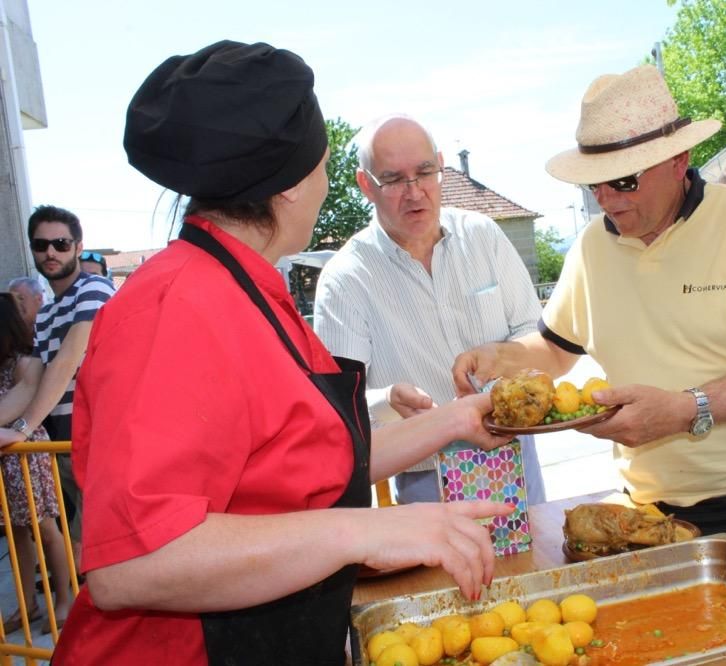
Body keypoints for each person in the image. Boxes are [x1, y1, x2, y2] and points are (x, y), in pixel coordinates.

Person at [49, 41, 511, 665]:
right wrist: (364, 531)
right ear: (291, 185)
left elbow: (309, 465)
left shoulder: (253, 287)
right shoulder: (175, 307)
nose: (325, 184)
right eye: (322, 165)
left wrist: (456, 420)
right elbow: (133, 562)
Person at [453, 65, 726, 588]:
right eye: (595, 185)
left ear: (680, 160)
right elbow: (554, 347)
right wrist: (499, 357)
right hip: (650, 519)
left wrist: (684, 410)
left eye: (624, 180)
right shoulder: (591, 247)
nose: (607, 199)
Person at [313, 114, 546, 505]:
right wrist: (387, 400)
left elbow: (532, 333)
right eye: (393, 179)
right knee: (445, 571)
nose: (414, 192)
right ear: (365, 184)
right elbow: (337, 409)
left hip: (514, 457)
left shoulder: (483, 237)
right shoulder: (345, 280)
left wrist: (506, 366)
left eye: (424, 172)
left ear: (440, 165)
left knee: (536, 565)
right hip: (426, 480)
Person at [0, 206, 115, 554]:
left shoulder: (94, 288)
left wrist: (22, 428)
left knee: (91, 550)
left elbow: (68, 359)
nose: (51, 252)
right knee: (84, 549)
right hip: (67, 445)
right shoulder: (49, 310)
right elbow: (29, 383)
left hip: (102, 441)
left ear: (78, 247)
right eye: (42, 244)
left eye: (61, 243)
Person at [0, 293, 73, 635]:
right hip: (6, 459)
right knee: (15, 534)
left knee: (45, 527)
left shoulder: (27, 362)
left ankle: (65, 598)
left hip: (24, 453)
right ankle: (27, 603)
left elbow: (21, 400)